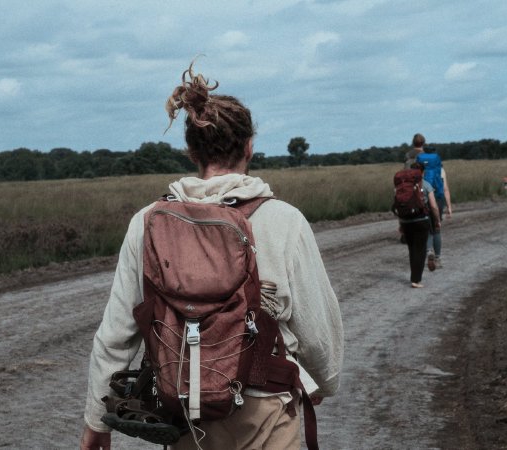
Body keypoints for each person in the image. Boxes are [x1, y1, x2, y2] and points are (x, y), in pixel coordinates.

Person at [80, 62, 344, 450]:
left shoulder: (147, 222)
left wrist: (95, 420)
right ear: (250, 146)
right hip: (264, 406)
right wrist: (319, 381)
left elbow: (116, 334)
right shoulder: (284, 220)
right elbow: (318, 327)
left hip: (186, 410)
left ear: (190, 151)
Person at [398, 162, 441, 288]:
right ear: (423, 172)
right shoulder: (426, 185)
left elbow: (400, 207)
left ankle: (414, 277)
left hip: (406, 222)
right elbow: (433, 206)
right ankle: (416, 280)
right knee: (421, 250)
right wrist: (437, 220)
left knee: (412, 250)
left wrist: (401, 224)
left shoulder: (403, 186)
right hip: (421, 221)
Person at [419, 146, 452, 270]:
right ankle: (437, 258)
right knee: (437, 227)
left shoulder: (420, 168)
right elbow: (445, 189)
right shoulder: (440, 169)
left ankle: (428, 251)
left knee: (427, 228)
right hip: (437, 198)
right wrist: (449, 206)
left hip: (422, 198)